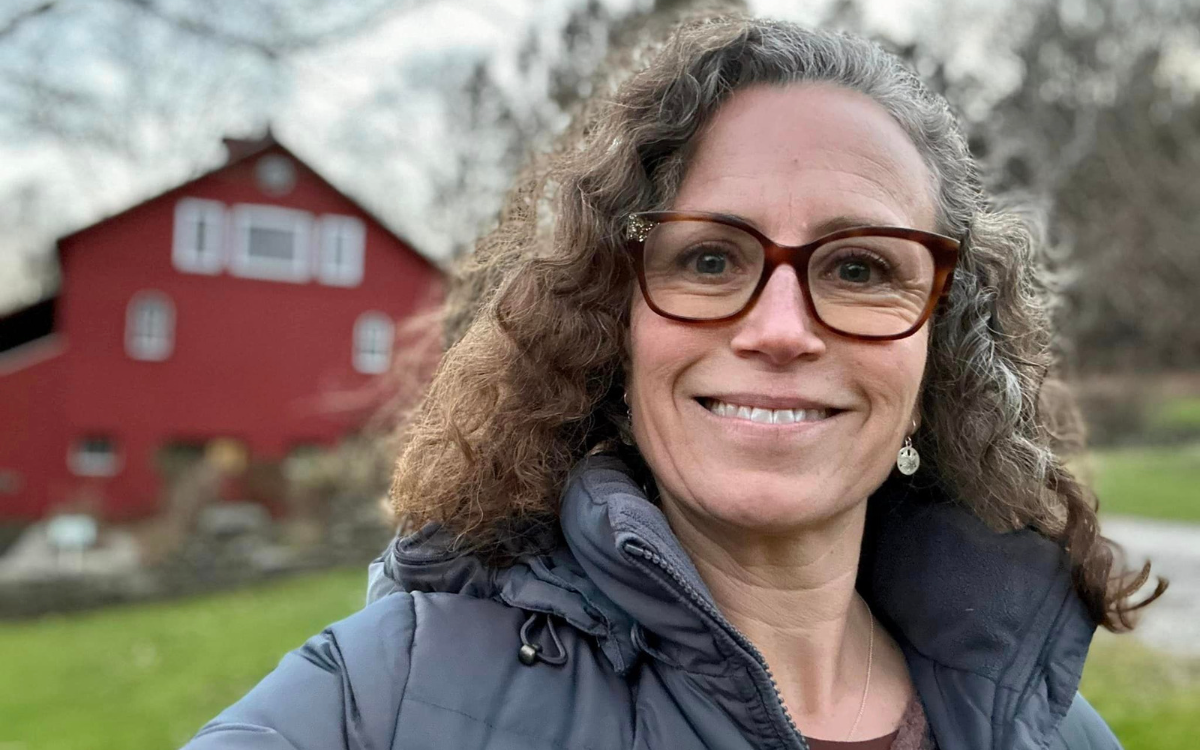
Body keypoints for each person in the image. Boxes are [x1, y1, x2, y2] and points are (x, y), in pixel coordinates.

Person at [185, 14, 1163, 750]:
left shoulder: (1054, 730)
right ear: (612, 320)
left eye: (861, 269)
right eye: (707, 260)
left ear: (937, 345)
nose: (780, 330)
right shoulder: (390, 693)